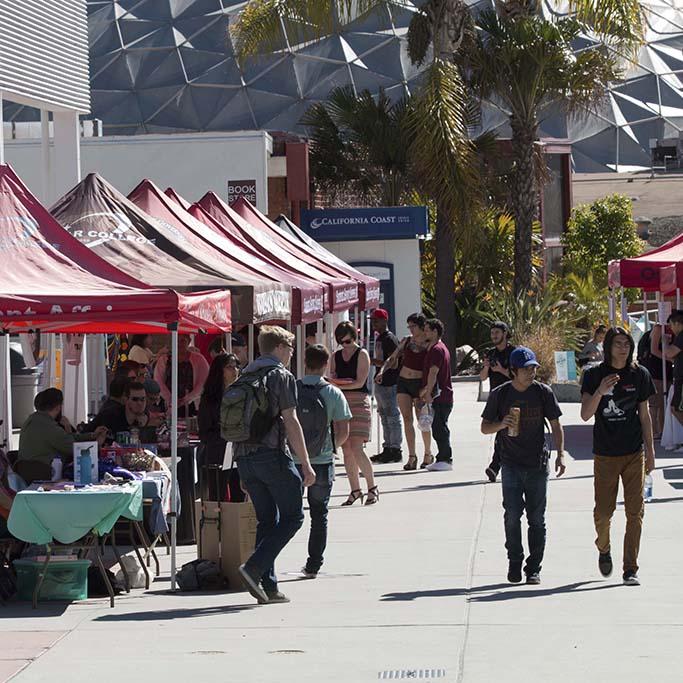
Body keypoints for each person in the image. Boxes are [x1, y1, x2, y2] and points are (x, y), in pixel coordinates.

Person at [233, 325, 315, 605]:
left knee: (267, 520)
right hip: (271, 455)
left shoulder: (246, 374)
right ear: (279, 348)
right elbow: (290, 421)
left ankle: (268, 587)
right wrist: (305, 463)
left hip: (244, 457)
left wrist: (239, 464)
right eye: (290, 348)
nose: (292, 354)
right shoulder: (280, 375)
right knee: (294, 516)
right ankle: (254, 568)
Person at [481, 347, 565, 585]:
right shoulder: (500, 395)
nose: (531, 373)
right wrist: (501, 423)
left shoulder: (543, 392)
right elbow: (485, 427)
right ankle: (515, 561)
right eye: (526, 369)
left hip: (537, 464)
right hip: (510, 464)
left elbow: (556, 425)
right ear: (513, 371)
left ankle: (534, 567)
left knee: (537, 518)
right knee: (512, 515)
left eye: (534, 368)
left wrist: (560, 455)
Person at [581, 326, 655, 586]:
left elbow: (644, 415)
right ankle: (603, 548)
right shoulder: (593, 375)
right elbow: (585, 414)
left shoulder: (639, 374)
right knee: (603, 513)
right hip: (605, 453)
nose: (623, 348)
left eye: (627, 343)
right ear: (608, 347)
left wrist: (651, 451)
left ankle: (630, 568)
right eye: (618, 343)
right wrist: (601, 390)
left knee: (635, 513)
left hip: (634, 452)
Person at [297, 344, 352, 578]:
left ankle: (267, 562)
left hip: (294, 460)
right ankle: (313, 564)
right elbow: (343, 430)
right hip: (321, 460)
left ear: (304, 361)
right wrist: (330, 448)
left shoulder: (292, 389)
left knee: (286, 514)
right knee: (319, 515)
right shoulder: (332, 393)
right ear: (326, 364)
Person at [329, 321, 378, 505]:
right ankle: (355, 490)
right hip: (341, 401)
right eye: (342, 342)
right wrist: (338, 383)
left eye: (348, 341)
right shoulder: (335, 356)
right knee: (346, 449)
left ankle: (372, 487)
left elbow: (360, 382)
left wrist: (340, 383)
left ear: (354, 338)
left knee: (357, 446)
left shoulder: (362, 354)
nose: (345, 345)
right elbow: (332, 377)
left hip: (358, 401)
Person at [16, 388, 107, 484]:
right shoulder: (49, 426)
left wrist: (91, 435)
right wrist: (97, 445)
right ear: (58, 407)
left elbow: (64, 437)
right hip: (44, 474)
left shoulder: (32, 420)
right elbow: (75, 449)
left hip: (27, 472)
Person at [377, 313, 433, 470]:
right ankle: (412, 456)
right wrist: (382, 371)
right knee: (407, 419)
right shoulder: (406, 340)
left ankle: (428, 453)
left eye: (413, 326)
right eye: (409, 326)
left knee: (422, 420)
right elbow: (392, 358)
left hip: (419, 384)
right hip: (403, 382)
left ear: (422, 326)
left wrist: (428, 387)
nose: (411, 329)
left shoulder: (429, 343)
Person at [198, 353, 240, 500]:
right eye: (229, 367)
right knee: (217, 498)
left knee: (239, 496)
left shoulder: (241, 394)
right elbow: (204, 432)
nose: (234, 371)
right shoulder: (209, 398)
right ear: (219, 371)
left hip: (239, 452)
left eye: (236, 367)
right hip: (217, 452)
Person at [480, 321, 515, 482]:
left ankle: (495, 466)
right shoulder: (490, 353)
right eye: (492, 333)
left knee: (503, 431)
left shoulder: (514, 352)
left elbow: (518, 378)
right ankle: (497, 466)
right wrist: (487, 366)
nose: (494, 336)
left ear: (505, 333)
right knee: (500, 431)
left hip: (512, 397)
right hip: (496, 398)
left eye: (497, 333)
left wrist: (501, 370)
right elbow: (482, 377)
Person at [420, 318, 454, 472]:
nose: (425, 332)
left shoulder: (436, 350)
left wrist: (428, 392)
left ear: (435, 331)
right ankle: (443, 457)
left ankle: (445, 458)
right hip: (442, 396)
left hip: (441, 396)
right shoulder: (439, 347)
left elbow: (433, 372)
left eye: (427, 329)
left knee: (440, 428)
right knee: (438, 426)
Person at [370, 309, 403, 464]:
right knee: (384, 416)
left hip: (390, 382)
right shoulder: (380, 338)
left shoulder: (390, 339)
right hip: (381, 382)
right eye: (372, 320)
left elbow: (394, 362)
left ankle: (395, 449)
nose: (373, 323)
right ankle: (387, 447)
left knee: (392, 416)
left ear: (385, 321)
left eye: (376, 320)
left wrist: (375, 362)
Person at [154, 334, 210, 418]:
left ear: (189, 342)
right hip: (168, 404)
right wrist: (170, 399)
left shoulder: (199, 359)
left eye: (182, 341)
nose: (179, 344)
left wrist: (186, 399)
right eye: (176, 340)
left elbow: (203, 382)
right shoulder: (163, 360)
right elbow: (158, 381)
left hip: (192, 404)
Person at [650, 311, 683, 449]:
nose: (671, 328)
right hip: (679, 378)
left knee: (676, 408)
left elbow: (669, 352)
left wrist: (664, 342)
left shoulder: (681, 336)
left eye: (671, 325)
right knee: (675, 408)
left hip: (682, 379)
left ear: (677, 323)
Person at [637, 327, 670, 440]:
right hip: (656, 372)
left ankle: (659, 430)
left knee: (661, 404)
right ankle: (655, 431)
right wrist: (670, 358)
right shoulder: (659, 328)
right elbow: (654, 350)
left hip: (662, 372)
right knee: (656, 404)